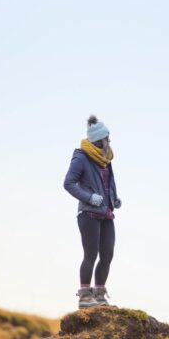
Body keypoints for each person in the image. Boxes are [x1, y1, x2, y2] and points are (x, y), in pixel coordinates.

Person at [63, 115, 122, 309]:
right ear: (100, 140)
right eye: (107, 138)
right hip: (88, 214)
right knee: (91, 254)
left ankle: (99, 294)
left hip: (106, 213)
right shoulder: (81, 157)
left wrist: (114, 198)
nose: (110, 141)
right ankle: (84, 297)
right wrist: (89, 198)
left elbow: (108, 182)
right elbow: (68, 183)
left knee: (108, 254)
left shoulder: (106, 159)